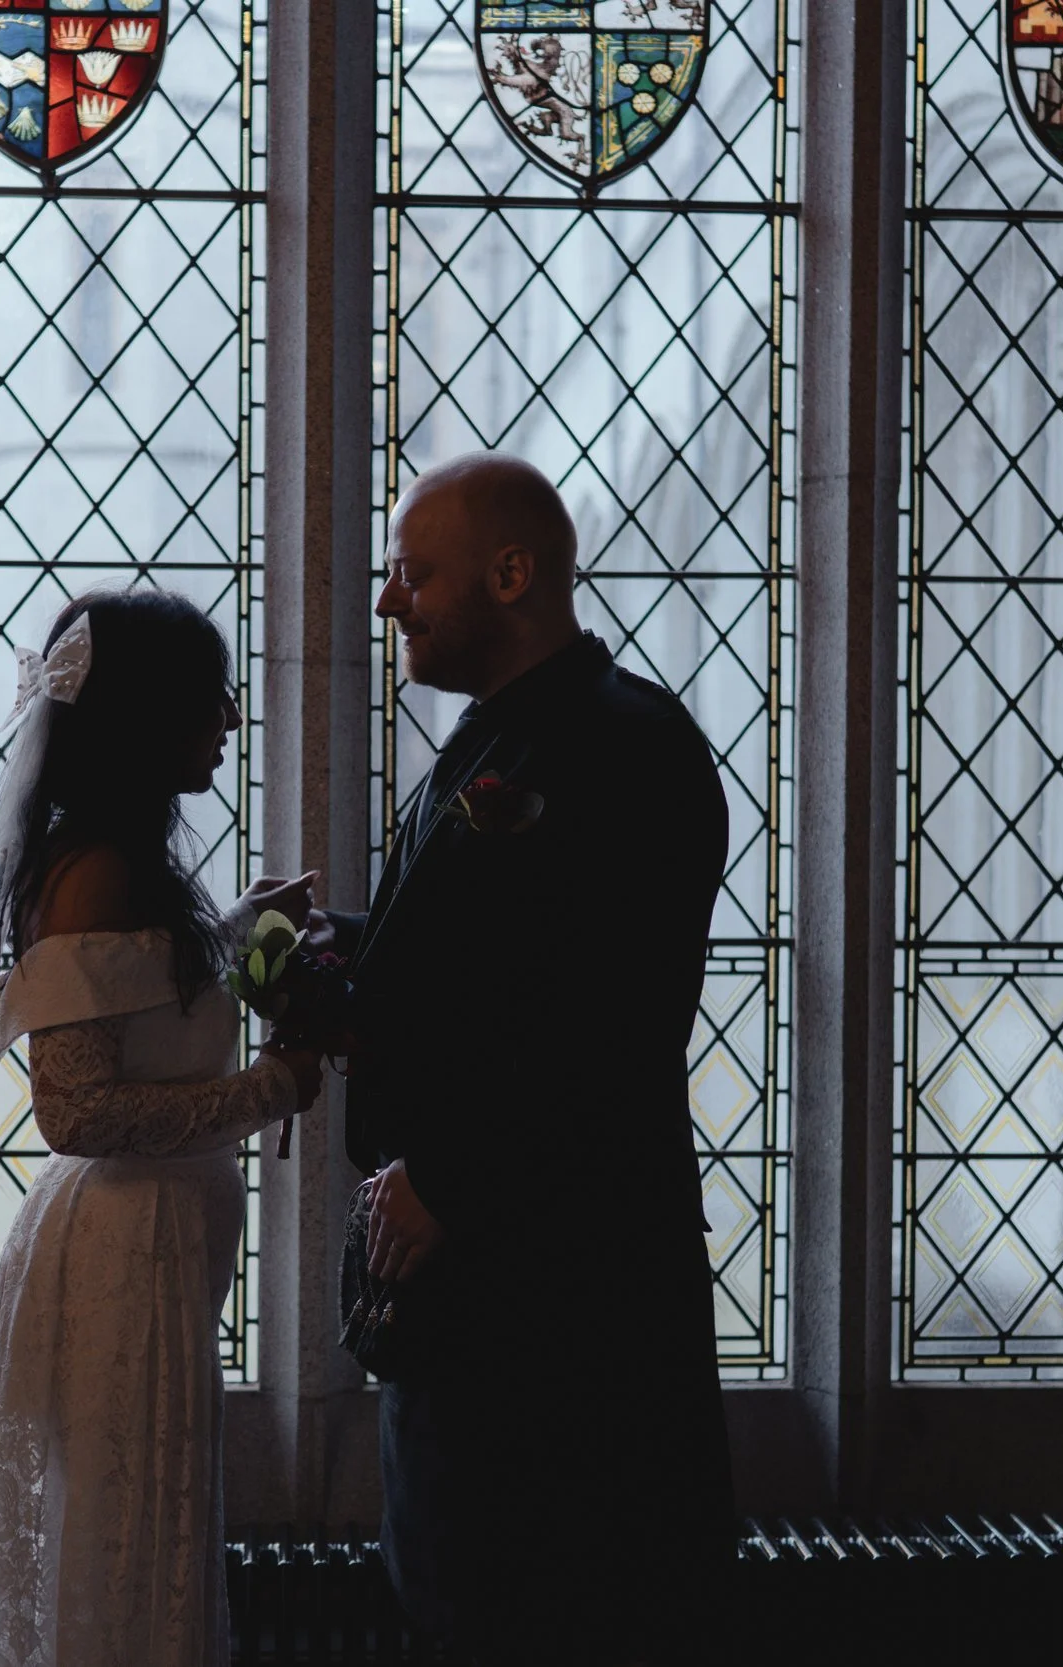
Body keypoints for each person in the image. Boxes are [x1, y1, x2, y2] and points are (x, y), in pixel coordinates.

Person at [309, 454, 735, 1663]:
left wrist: (446, 1177)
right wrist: (328, 949)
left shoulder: (629, 745)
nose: (389, 601)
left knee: (563, 1610)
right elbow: (486, 969)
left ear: (512, 573)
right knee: (456, 1605)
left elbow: (616, 1019)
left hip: (568, 1317)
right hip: (463, 1313)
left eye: (411, 572)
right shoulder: (481, 746)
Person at [0, 589, 324, 1667]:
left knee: (144, 1542)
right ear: (150, 717)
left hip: (154, 1249)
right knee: (124, 1554)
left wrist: (244, 928)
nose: (231, 720)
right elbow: (80, 1108)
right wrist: (272, 1087)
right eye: (212, 698)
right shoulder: (94, 866)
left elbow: (138, 1006)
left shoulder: (119, 858)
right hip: (121, 1255)